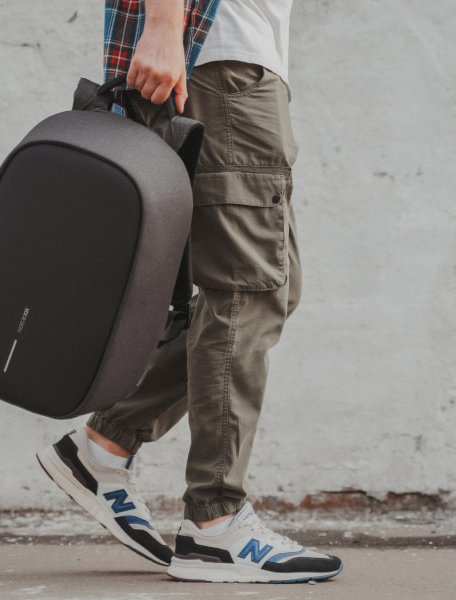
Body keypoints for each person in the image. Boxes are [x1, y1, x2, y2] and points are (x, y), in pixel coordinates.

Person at [36, 0, 343, 583]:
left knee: (270, 291)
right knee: (245, 293)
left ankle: (104, 445)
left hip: (235, 66)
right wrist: (163, 26)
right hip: (224, 64)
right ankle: (215, 525)